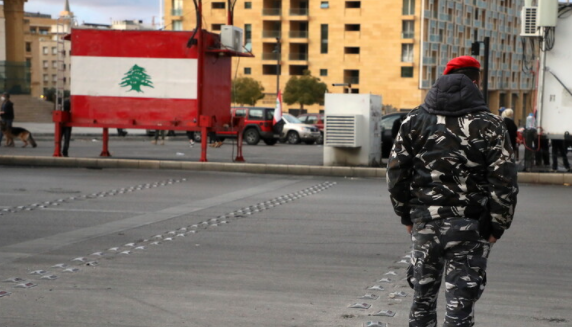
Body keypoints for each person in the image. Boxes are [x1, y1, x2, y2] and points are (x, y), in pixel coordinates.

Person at [387, 56, 518, 327]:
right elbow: (504, 181)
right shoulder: (491, 123)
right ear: (475, 82)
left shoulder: (413, 120)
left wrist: (407, 217)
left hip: (425, 222)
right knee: (461, 306)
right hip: (471, 226)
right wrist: (497, 227)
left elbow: (396, 173)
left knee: (422, 300)